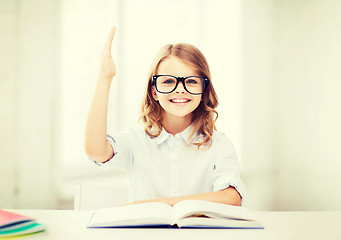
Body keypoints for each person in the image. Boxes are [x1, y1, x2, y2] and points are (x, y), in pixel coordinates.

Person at [85, 27, 245, 206]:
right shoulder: (134, 141)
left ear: (203, 90)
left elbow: (231, 198)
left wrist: (160, 204)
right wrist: (105, 77)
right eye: (168, 81)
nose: (180, 89)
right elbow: (95, 151)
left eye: (191, 81)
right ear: (154, 91)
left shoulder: (219, 144)